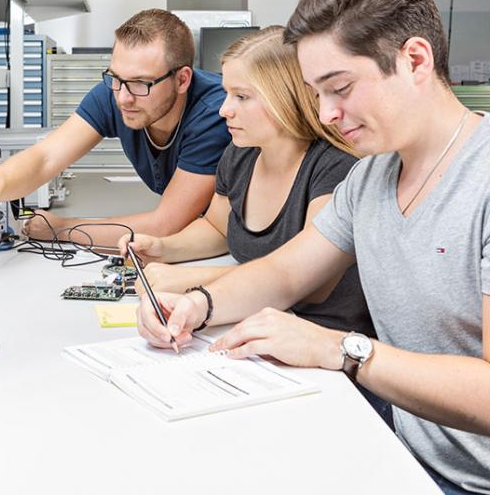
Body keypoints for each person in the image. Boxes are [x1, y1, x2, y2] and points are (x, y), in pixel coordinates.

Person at [136, 0, 490, 494]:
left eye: (340, 88)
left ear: (414, 60)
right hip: (408, 455)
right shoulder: (371, 176)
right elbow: (283, 274)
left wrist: (340, 349)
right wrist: (197, 303)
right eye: (315, 93)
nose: (325, 114)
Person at [118, 26, 373, 340]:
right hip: (249, 321)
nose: (225, 109)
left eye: (241, 96)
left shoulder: (335, 168)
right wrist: (163, 248)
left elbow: (311, 284)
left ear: (286, 97)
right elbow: (217, 228)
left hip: (319, 340)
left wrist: (192, 281)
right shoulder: (240, 155)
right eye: (226, 93)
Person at [0, 9, 231, 247]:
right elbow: (46, 157)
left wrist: (63, 228)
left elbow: (166, 225)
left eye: (140, 83)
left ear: (182, 80)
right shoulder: (117, 92)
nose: (123, 98)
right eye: (115, 78)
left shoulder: (214, 113)